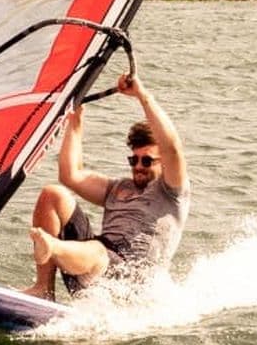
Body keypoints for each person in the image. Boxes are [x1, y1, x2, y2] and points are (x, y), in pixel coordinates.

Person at [24, 73, 190, 300]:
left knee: (98, 252)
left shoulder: (172, 193)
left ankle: (52, 248)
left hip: (127, 284)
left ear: (164, 163)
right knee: (53, 194)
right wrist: (76, 116)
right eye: (134, 160)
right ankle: (44, 289)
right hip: (90, 267)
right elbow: (71, 174)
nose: (138, 166)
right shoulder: (118, 188)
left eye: (147, 160)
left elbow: (172, 148)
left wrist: (142, 96)